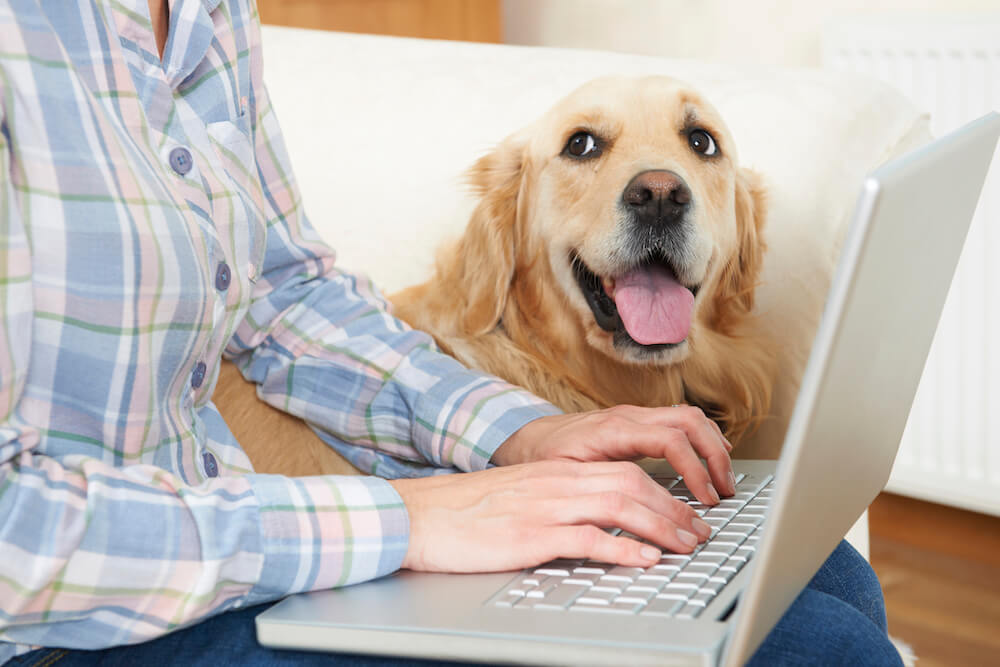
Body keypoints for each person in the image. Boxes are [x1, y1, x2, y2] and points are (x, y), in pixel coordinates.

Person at [0, 1, 902, 665]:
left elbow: (282, 292)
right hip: (66, 622)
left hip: (218, 541)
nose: (655, 184)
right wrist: (413, 518)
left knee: (832, 578)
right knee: (819, 648)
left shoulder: (211, 14)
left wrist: (520, 432)